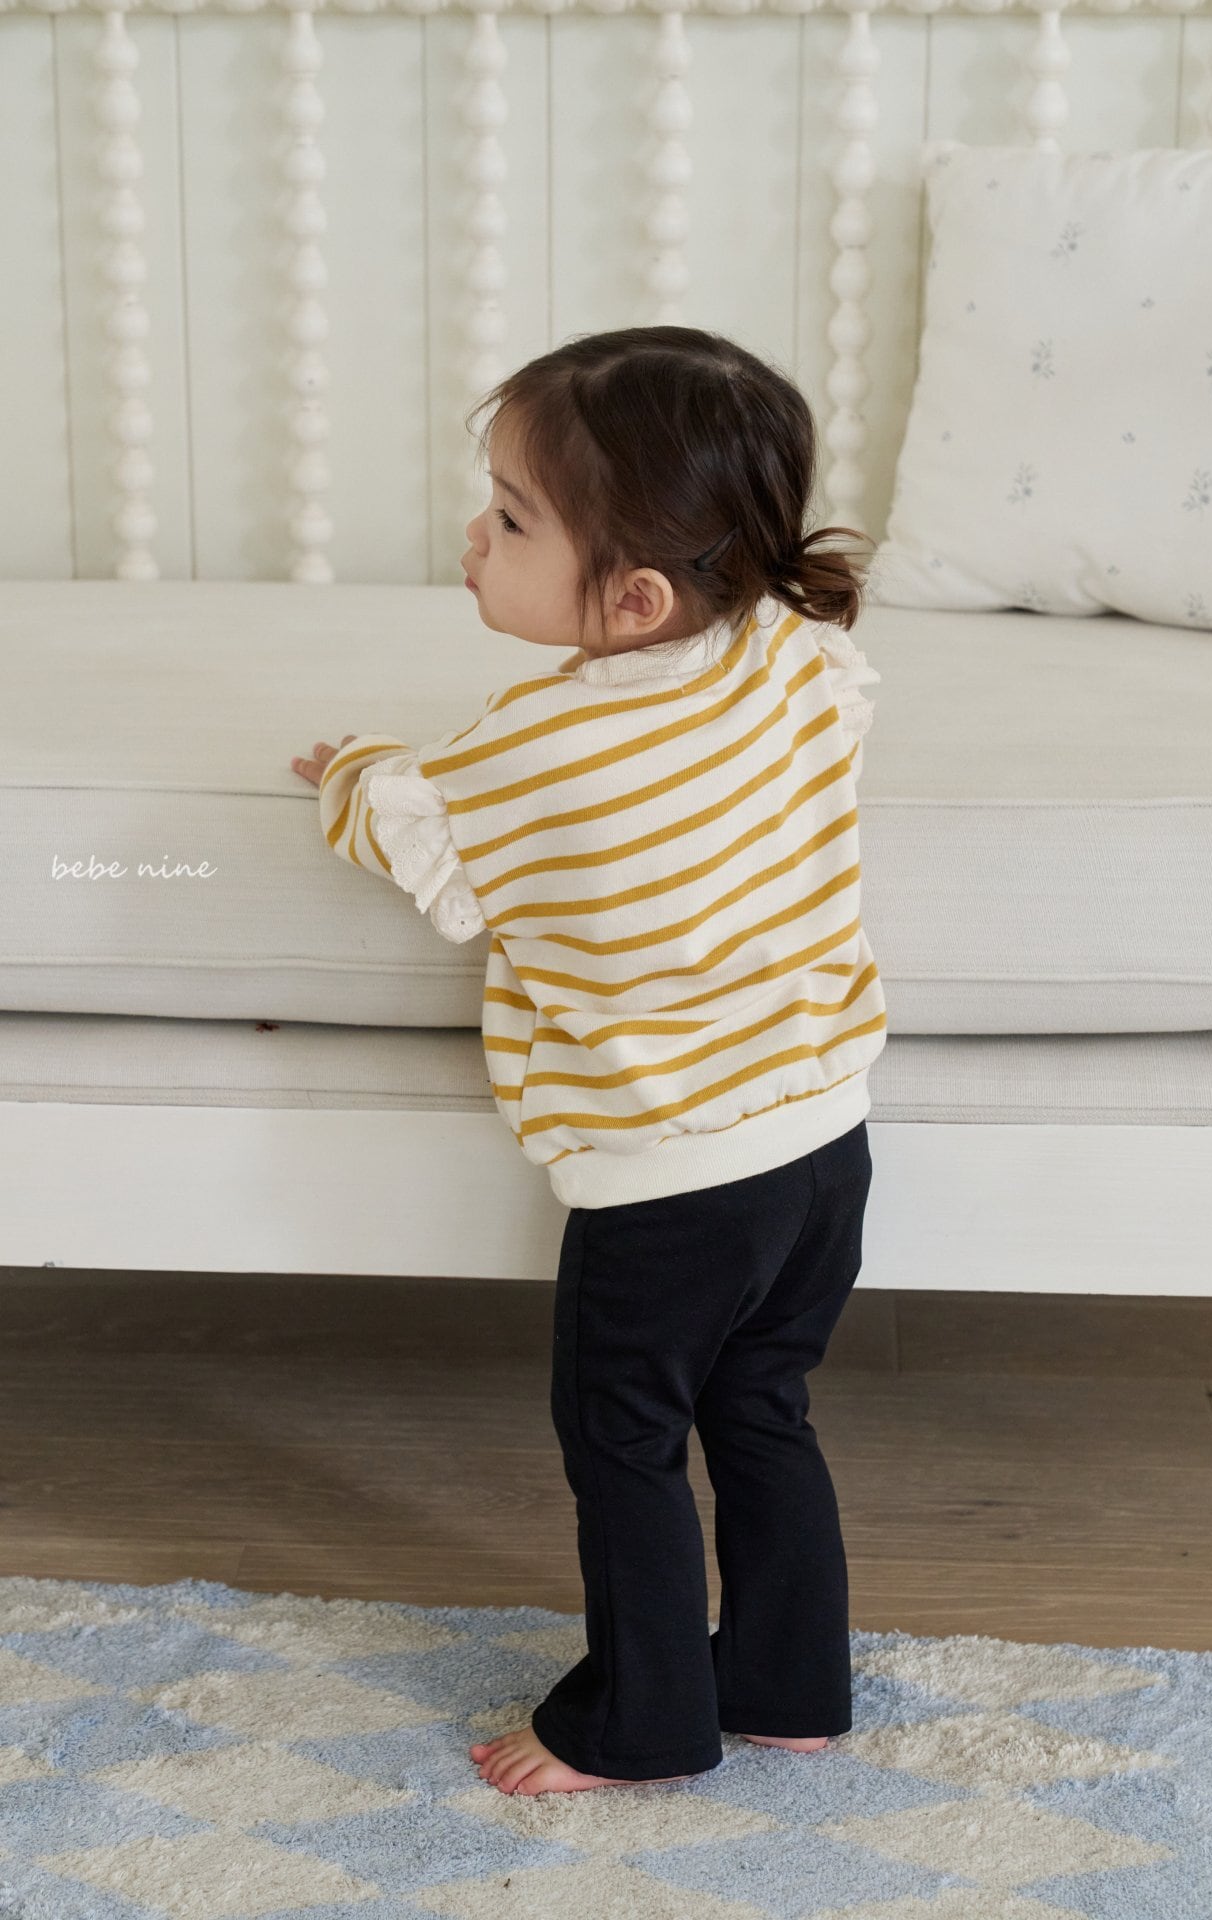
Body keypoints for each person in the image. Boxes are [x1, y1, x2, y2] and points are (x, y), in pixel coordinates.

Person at [291, 325, 886, 1798]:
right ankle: (792, 1688)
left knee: (622, 1440)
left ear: (633, 598)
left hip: (669, 1182)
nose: (473, 536)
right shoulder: (790, 656)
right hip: (826, 1142)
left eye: (511, 519)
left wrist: (350, 769)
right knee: (763, 1408)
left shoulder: (540, 746)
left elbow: (427, 849)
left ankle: (640, 1723)